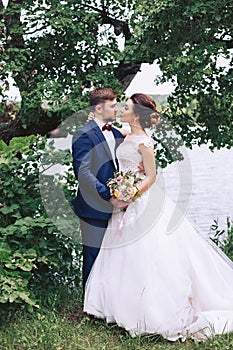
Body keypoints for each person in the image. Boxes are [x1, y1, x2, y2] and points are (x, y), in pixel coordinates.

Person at [83, 93, 233, 342]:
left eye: (127, 107)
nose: (122, 109)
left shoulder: (145, 143)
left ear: (137, 114)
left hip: (140, 201)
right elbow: (106, 128)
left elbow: (150, 177)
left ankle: (151, 312)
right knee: (123, 257)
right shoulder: (125, 133)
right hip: (124, 202)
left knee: (148, 257)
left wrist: (131, 194)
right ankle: (121, 307)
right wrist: (94, 118)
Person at [72, 87, 127, 292]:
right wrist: (108, 195)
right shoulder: (84, 134)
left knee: (112, 257)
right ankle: (89, 304)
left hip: (117, 206)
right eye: (113, 106)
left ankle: (108, 302)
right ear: (98, 108)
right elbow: (83, 172)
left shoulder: (114, 132)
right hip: (94, 205)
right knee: (93, 255)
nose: (116, 109)